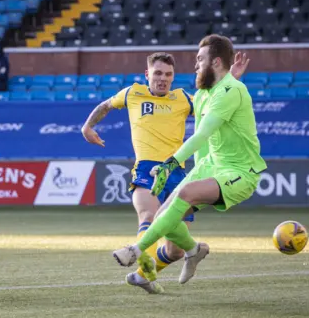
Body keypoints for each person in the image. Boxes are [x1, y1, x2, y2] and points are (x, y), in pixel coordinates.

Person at [82, 51, 250, 293]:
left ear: (173, 77)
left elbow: (215, 105)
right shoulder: (133, 93)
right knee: (148, 216)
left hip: (177, 173)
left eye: (168, 74)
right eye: (158, 73)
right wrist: (88, 126)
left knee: (175, 251)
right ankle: (144, 265)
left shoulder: (183, 98)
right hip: (147, 168)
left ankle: (144, 276)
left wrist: (231, 78)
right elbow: (106, 105)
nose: (163, 78)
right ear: (147, 74)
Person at [111, 34, 267, 287]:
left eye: (199, 59)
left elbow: (203, 133)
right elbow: (219, 96)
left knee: (184, 193)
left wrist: (171, 163)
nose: (195, 65)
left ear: (215, 62)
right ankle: (194, 251)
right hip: (210, 168)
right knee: (164, 216)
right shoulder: (205, 93)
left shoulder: (233, 91)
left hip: (239, 171)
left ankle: (136, 250)